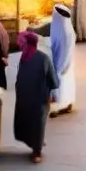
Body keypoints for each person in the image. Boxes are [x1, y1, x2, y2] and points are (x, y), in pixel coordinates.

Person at [14, 30, 59, 163]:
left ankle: (36, 149)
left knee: (31, 123)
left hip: (27, 98)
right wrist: (53, 94)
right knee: (38, 124)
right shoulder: (43, 58)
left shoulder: (25, 58)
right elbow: (53, 79)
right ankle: (36, 150)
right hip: (39, 98)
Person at [50, 4, 77, 116]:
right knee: (65, 83)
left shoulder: (62, 28)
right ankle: (66, 103)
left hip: (62, 63)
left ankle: (60, 106)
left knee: (61, 84)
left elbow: (63, 48)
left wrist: (60, 67)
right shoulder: (65, 25)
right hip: (66, 62)